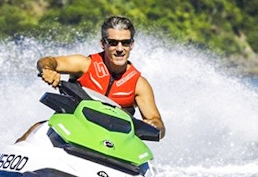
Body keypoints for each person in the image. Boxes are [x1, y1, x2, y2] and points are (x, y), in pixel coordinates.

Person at [29, 15, 165, 138]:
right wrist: (47, 70)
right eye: (112, 42)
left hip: (112, 143)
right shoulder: (84, 65)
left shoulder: (139, 85)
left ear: (132, 45)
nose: (119, 48)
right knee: (37, 129)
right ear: (103, 44)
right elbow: (49, 61)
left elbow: (158, 124)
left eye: (125, 43)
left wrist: (154, 124)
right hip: (70, 130)